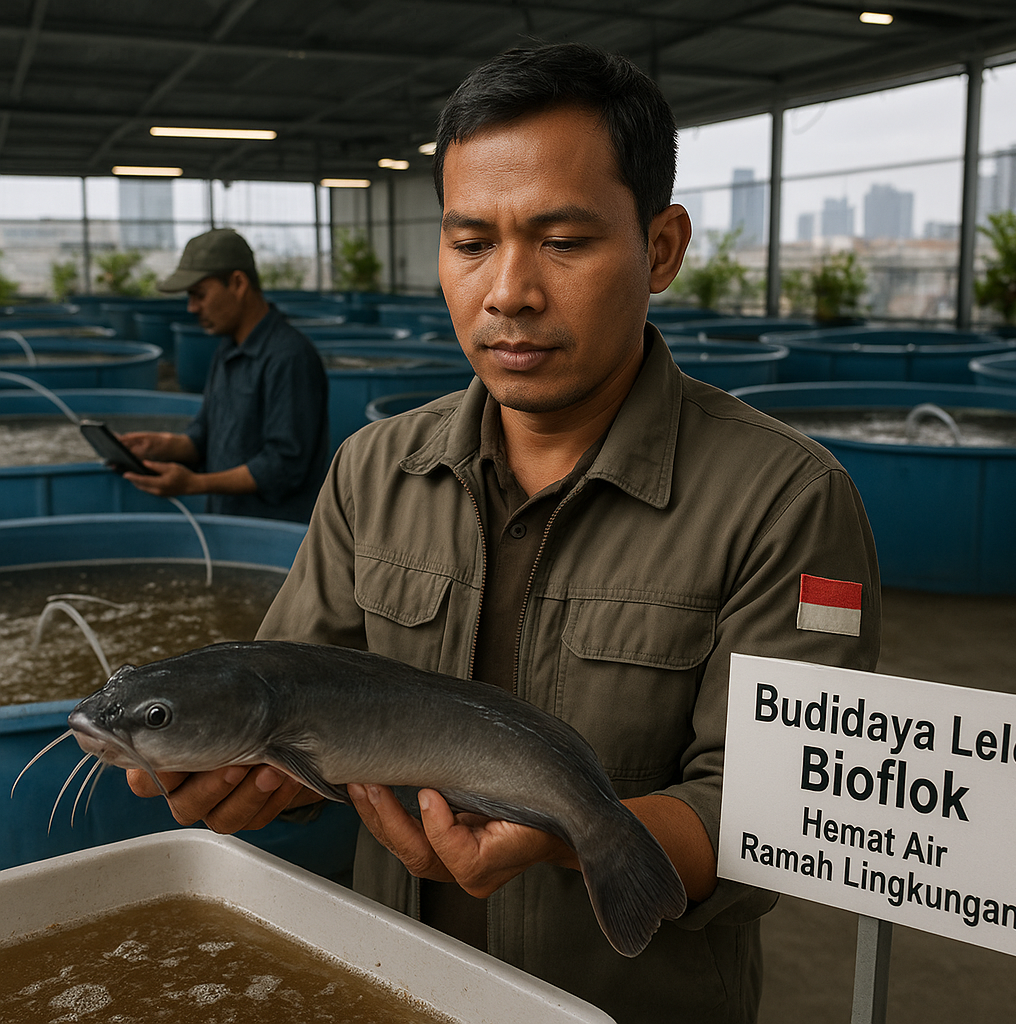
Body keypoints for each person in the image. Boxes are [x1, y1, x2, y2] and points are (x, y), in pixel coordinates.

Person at [126, 44, 881, 1022]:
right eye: (471, 240)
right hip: (391, 988)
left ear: (659, 247)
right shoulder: (375, 469)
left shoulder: (783, 497)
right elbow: (300, 705)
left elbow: (788, 810)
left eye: (562, 241)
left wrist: (578, 833)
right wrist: (245, 779)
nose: (508, 292)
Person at [119, 227, 329, 522]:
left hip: (274, 532)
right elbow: (206, 432)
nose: (192, 307)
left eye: (200, 295)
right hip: (228, 520)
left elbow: (285, 465)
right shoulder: (228, 349)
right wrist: (165, 445)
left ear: (238, 283)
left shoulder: (289, 357)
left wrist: (195, 484)